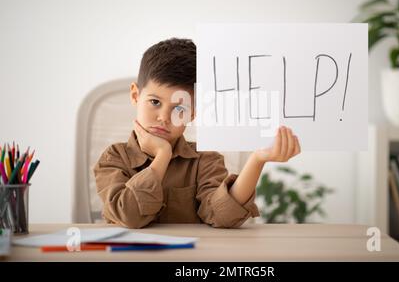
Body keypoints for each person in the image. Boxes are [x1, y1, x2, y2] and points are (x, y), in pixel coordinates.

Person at [94, 38, 301, 229]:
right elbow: (129, 216)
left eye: (179, 109)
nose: (164, 118)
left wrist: (257, 159)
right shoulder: (113, 159)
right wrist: (162, 156)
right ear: (135, 95)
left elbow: (224, 216)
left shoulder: (205, 161)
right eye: (155, 102)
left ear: (192, 113)